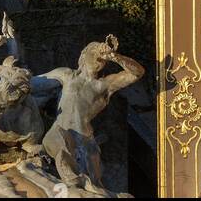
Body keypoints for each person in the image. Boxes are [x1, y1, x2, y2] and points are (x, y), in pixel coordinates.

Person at [33, 34, 144, 190]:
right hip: (58, 133)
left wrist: (116, 57)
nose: (99, 58)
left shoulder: (104, 85)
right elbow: (34, 82)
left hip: (84, 141)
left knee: (95, 185)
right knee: (61, 147)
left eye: (102, 58)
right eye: (94, 53)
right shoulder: (67, 75)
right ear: (83, 55)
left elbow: (137, 73)